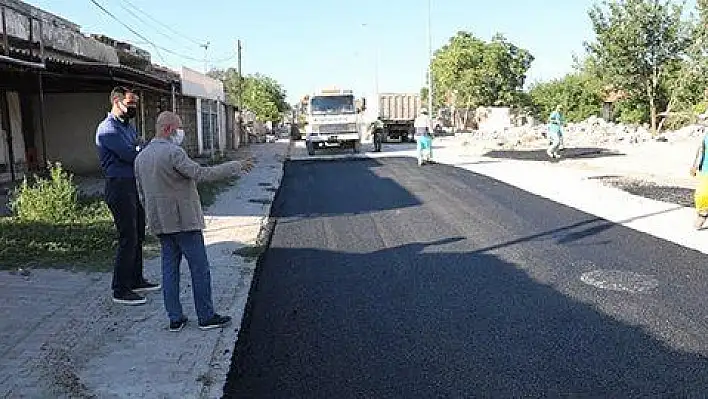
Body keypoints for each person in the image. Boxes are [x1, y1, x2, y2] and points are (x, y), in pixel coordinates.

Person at [134, 111, 254, 331]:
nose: (182, 133)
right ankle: (206, 316)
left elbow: (141, 194)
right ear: (169, 129)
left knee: (169, 270)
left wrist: (153, 217)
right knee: (199, 269)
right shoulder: (173, 153)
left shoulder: (141, 157)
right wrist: (235, 166)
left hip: (161, 224)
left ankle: (175, 318)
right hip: (184, 223)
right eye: (180, 129)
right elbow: (201, 174)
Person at [96, 86, 159, 306]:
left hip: (133, 185)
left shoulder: (128, 127)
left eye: (135, 104)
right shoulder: (107, 130)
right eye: (130, 104)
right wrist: (139, 148)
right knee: (128, 237)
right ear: (116, 100)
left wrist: (139, 147)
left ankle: (136, 279)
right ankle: (120, 288)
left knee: (139, 233)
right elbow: (132, 155)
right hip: (119, 186)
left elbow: (141, 145)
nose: (133, 108)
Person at [690, 115, 708, 230]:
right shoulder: (705, 134)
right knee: (701, 195)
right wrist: (694, 165)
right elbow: (700, 148)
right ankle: (703, 213)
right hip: (706, 169)